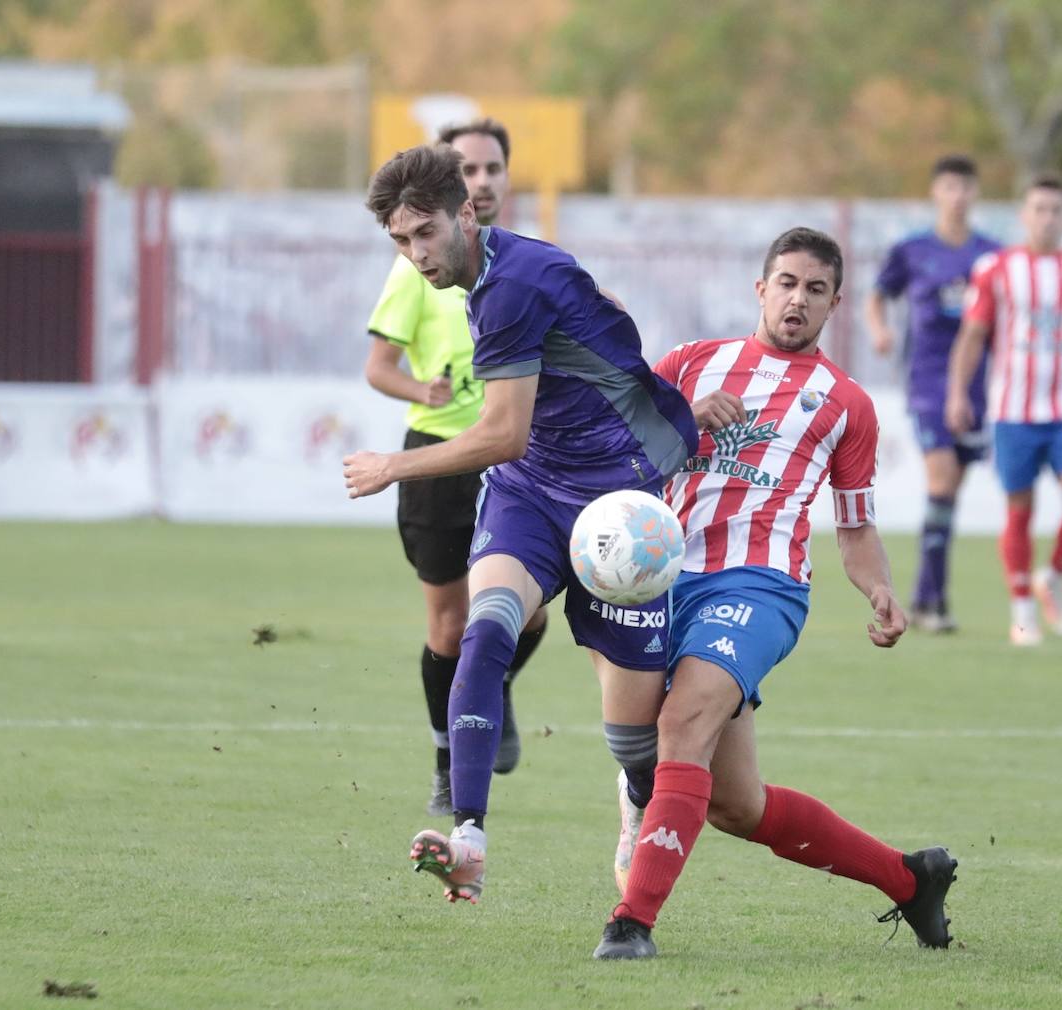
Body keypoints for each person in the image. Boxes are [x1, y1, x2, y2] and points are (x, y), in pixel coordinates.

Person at [343, 143, 699, 904]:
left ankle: (637, 794)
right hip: (532, 490)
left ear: (465, 215)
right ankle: (468, 840)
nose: (416, 254)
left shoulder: (511, 285)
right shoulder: (495, 272)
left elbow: (502, 432)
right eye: (401, 241)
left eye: (425, 233)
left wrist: (391, 466)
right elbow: (602, 312)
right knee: (487, 626)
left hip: (618, 504)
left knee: (633, 734)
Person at [593, 227, 958, 961]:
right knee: (736, 805)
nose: (798, 300)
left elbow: (855, 529)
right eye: (787, 283)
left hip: (761, 586)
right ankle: (910, 880)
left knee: (684, 721)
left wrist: (881, 589)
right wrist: (684, 418)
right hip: (659, 580)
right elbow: (615, 449)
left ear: (835, 304)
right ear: (761, 289)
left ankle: (630, 924)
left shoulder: (847, 405)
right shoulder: (690, 363)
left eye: (815, 289)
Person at [363, 119, 548, 817]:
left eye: (493, 168)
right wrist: (423, 390)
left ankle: (490, 687)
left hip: (520, 462)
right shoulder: (417, 266)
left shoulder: (527, 264)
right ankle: (448, 764)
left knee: (528, 616)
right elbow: (378, 367)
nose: (482, 181)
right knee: (449, 628)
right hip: (440, 462)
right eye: (468, 169)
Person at [945, 173, 1062, 646]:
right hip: (1014, 411)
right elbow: (973, 335)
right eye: (1039, 209)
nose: (1048, 219)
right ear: (1023, 215)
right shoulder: (996, 268)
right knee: (1019, 511)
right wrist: (958, 393)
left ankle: (1054, 575)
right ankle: (1023, 610)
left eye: (1056, 210)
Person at [865, 155, 999, 633]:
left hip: (975, 385)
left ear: (975, 193)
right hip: (926, 382)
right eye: (949, 187)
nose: (957, 196)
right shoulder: (912, 250)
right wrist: (879, 331)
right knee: (940, 483)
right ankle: (934, 604)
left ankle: (926, 598)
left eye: (965, 187)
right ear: (935, 193)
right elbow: (877, 295)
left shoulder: (992, 255)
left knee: (949, 494)